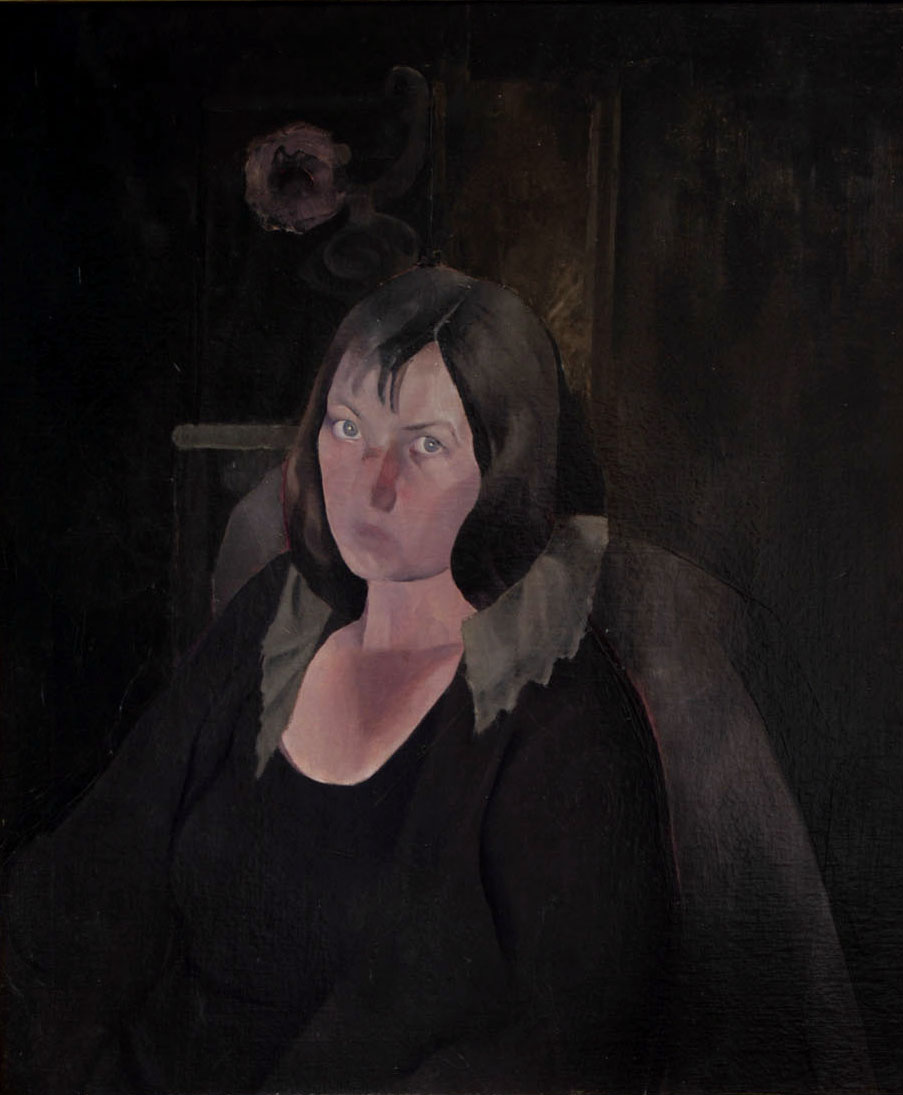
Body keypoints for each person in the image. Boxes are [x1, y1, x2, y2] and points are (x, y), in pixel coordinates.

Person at [2, 265, 675, 1094]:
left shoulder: (561, 715)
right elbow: (85, 884)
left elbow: (569, 1046)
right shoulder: (276, 617)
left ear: (503, 466)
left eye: (425, 445)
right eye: (347, 426)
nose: (371, 483)